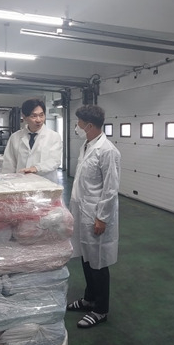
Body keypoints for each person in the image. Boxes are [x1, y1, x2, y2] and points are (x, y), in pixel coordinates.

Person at [67, 104, 121, 329]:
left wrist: (102, 218)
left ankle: (101, 310)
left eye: (79, 123)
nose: (77, 126)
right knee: (86, 257)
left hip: (96, 214)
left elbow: (111, 188)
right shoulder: (87, 145)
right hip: (82, 211)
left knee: (98, 262)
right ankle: (89, 299)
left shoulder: (107, 151)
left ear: (89, 125)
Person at [2, 98, 62, 183]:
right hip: (21, 183)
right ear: (24, 117)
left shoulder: (53, 136)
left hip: (45, 184)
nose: (38, 120)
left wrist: (36, 168)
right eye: (34, 116)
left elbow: (55, 161)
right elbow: (9, 164)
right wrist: (7, 182)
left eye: (41, 115)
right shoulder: (15, 137)